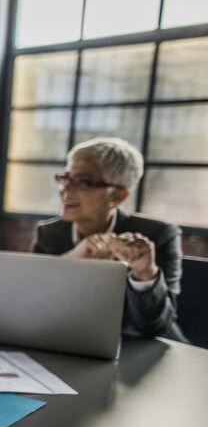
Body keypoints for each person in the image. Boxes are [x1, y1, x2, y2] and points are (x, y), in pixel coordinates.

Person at [32, 137, 184, 340]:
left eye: (82, 182)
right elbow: (32, 304)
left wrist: (144, 273)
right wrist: (69, 262)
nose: (65, 189)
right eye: (65, 178)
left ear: (117, 196)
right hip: (76, 343)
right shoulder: (49, 234)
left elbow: (155, 327)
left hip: (144, 348)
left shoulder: (159, 235)